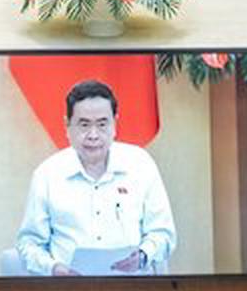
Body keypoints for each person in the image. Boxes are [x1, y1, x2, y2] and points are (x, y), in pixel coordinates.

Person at [15, 79, 176, 277]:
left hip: (133, 288)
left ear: (115, 124)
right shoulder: (47, 175)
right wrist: (54, 268)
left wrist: (143, 255)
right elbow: (29, 244)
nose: (93, 135)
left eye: (102, 124)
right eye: (84, 125)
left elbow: (163, 233)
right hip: (69, 290)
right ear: (67, 126)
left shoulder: (141, 165)